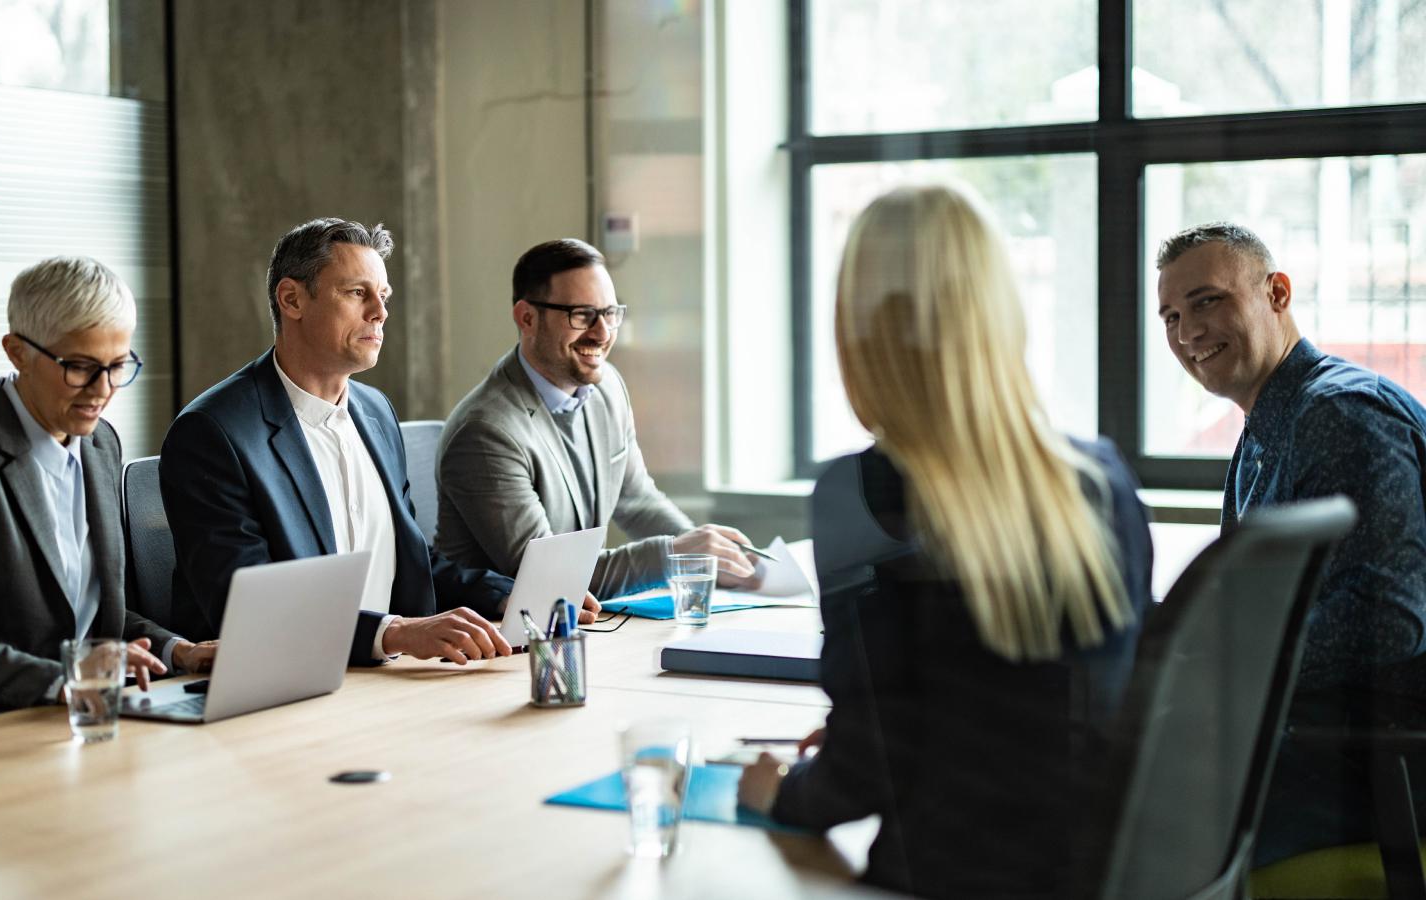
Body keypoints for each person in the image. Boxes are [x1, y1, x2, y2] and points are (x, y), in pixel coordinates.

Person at [736, 183, 1152, 897]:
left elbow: (869, 769)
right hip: (1100, 872)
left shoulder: (862, 495)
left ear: (859, 330)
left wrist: (781, 790)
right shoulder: (1099, 478)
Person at [1154, 221, 1426, 864]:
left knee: (1116, 808)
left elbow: (1390, 620)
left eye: (1207, 301)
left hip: (1375, 759)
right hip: (1320, 737)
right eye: (1170, 315)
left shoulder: (1341, 411)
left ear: (1277, 293)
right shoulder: (1271, 421)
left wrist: (1224, 672)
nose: (1187, 332)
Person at [160, 218, 519, 665]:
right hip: (277, 688)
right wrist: (396, 633)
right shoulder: (214, 433)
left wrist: (511, 596)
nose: (380, 313)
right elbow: (250, 606)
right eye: (357, 293)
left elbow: (408, 559)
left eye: (383, 297)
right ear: (291, 299)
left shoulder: (376, 412)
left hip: (389, 679)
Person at [0, 257, 216, 731]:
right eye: (80, 367)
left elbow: (94, 614)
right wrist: (74, 677)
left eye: (118, 366)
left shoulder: (100, 443)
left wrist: (176, 650)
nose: (102, 390)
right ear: (17, 352)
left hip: (77, 715)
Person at [435, 238, 761, 600]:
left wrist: (707, 557)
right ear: (527, 318)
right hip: (500, 642)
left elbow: (637, 501)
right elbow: (549, 579)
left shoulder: (606, 387)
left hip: (583, 625)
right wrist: (675, 555)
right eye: (582, 315)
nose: (603, 333)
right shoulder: (487, 431)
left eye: (609, 313)